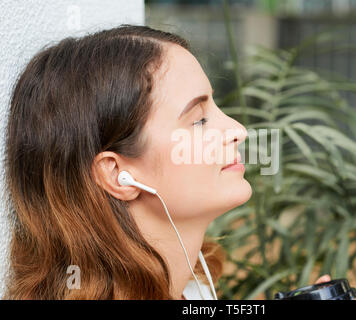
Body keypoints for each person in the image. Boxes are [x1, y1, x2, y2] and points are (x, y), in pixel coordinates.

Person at [2, 24, 330, 300]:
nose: (238, 130)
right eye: (198, 119)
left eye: (214, 107)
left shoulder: (193, 290)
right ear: (118, 174)